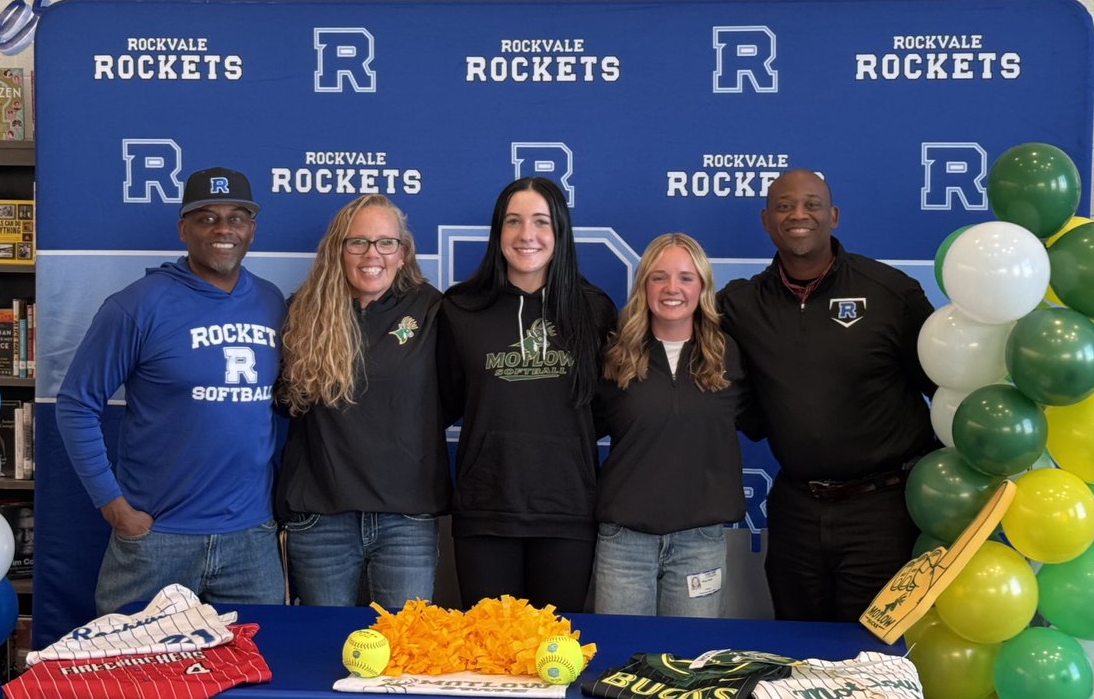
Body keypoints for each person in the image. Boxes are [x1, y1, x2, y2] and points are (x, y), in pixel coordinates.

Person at [56, 166, 287, 614]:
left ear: (251, 230)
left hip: (250, 540)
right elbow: (76, 405)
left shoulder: (272, 301)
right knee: (132, 676)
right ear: (183, 229)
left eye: (236, 217)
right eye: (206, 218)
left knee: (258, 676)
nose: (223, 229)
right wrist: (115, 508)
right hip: (157, 538)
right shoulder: (137, 304)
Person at [718, 168, 937, 623]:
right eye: (783, 206)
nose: (798, 215)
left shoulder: (890, 293)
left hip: (883, 511)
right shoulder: (739, 305)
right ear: (765, 220)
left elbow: (944, 388)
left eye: (812, 204)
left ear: (833, 216)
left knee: (872, 657)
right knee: (799, 655)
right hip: (795, 508)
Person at [437, 177, 616, 612]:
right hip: (486, 512)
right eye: (513, 221)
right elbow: (443, 401)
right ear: (498, 232)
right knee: (489, 658)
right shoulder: (460, 308)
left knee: (552, 656)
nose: (526, 235)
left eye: (541, 221)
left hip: (568, 512)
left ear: (560, 232)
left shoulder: (594, 309)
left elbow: (607, 410)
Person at [274, 195, 450, 607]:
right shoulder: (300, 313)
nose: (373, 254)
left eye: (386, 243)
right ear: (337, 250)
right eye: (358, 242)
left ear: (403, 253)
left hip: (405, 519)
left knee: (405, 655)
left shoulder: (432, 310)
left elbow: (457, 397)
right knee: (320, 649)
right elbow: (283, 403)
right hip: (320, 518)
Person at [592, 233, 750, 617]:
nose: (672, 288)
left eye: (685, 277)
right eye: (659, 277)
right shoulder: (615, 355)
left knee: (690, 666)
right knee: (619, 664)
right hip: (624, 541)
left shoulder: (727, 352)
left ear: (702, 286)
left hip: (700, 543)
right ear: (644, 285)